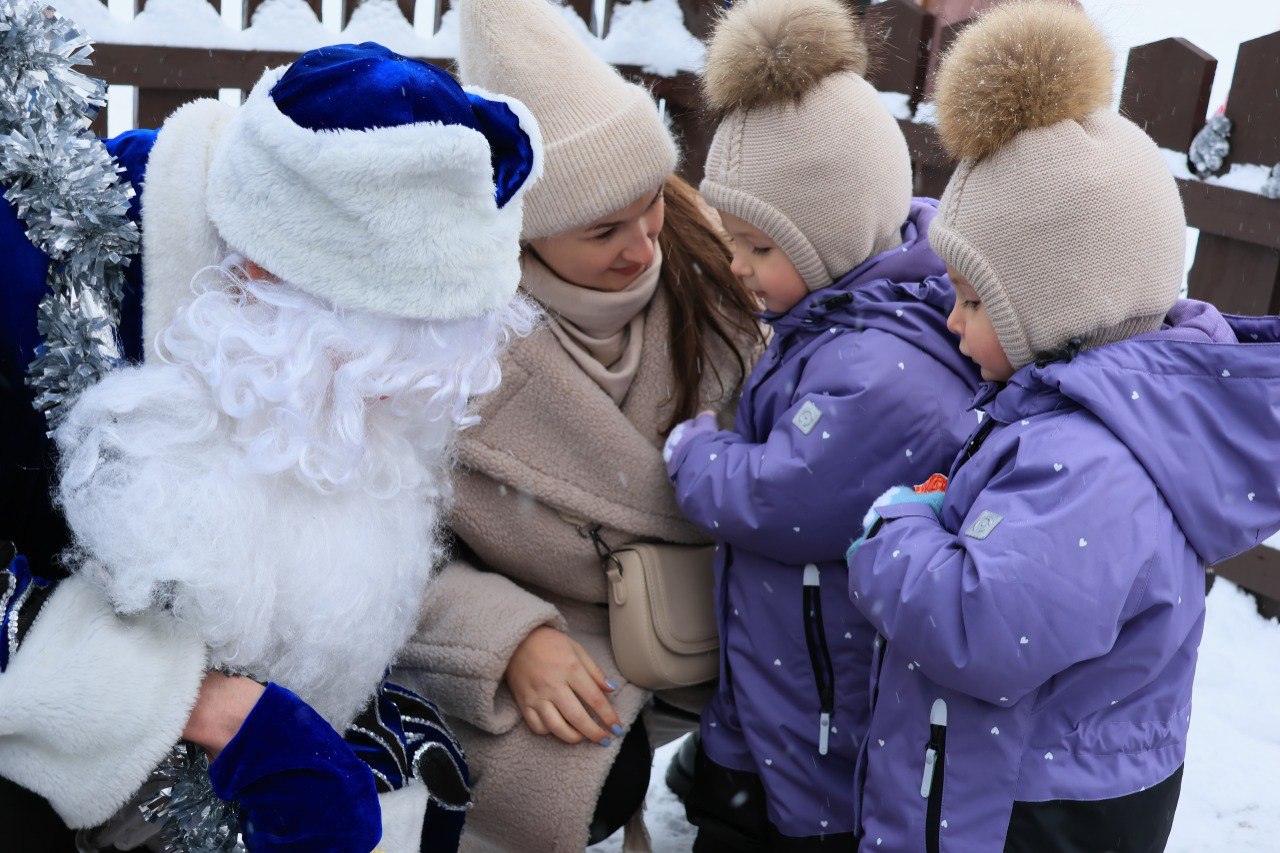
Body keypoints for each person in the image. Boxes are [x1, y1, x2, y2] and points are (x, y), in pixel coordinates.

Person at [2, 36, 542, 852]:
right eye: (380, 362)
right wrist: (199, 701)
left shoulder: (295, 351)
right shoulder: (40, 277)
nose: (395, 402)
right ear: (261, 274)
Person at [844, 3, 1280, 850]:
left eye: (974, 301)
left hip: (1024, 813)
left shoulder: (1090, 460)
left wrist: (893, 527)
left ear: (1061, 309)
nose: (951, 323)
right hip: (1041, 789)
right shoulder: (1087, 418)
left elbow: (981, 627)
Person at [388, 0, 764, 848]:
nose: (643, 245)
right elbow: (383, 548)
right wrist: (506, 640)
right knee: (583, 777)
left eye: (650, 204)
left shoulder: (717, 274)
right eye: (603, 228)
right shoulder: (440, 351)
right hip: (562, 635)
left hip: (716, 619)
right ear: (522, 231)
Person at [659, 0, 979, 848]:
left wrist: (697, 452)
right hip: (784, 676)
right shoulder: (839, 316)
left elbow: (788, 495)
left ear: (831, 236)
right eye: (732, 241)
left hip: (824, 713)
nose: (736, 266)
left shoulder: (884, 371)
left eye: (758, 248)